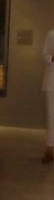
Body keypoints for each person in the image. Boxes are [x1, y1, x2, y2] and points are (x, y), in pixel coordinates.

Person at [43, 28, 54, 163]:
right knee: (51, 116)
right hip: (52, 82)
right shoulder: (51, 34)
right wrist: (51, 57)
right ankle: (50, 148)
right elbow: (44, 54)